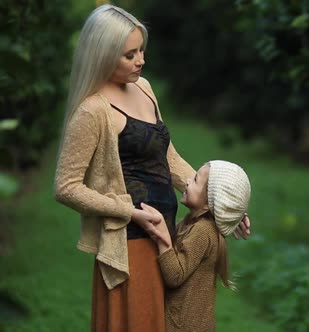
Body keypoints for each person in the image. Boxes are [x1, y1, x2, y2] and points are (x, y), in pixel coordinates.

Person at [53, 4, 250, 331]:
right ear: (102, 54)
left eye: (141, 49)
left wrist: (221, 202)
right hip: (131, 242)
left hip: (167, 232)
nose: (141, 60)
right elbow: (66, 186)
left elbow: (167, 157)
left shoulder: (144, 88)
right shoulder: (92, 111)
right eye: (129, 55)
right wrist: (130, 213)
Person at [143, 160, 251, 332]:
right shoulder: (192, 223)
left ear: (210, 202)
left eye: (195, 180)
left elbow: (175, 275)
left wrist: (162, 236)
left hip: (184, 326)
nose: (186, 180)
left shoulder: (203, 231)